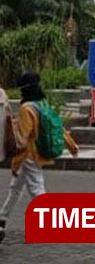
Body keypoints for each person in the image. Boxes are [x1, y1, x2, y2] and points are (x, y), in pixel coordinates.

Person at [0, 72, 79, 243]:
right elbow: (59, 127)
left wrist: (14, 161)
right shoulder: (42, 104)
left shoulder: (26, 108)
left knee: (37, 191)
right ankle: (2, 218)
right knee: (15, 188)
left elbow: (23, 138)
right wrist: (72, 146)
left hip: (30, 155)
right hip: (36, 154)